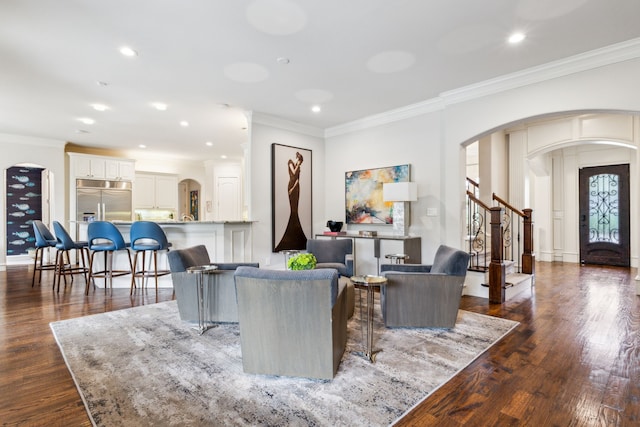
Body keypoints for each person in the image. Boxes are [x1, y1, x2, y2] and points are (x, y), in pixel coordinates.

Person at [275, 152, 307, 251]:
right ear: (297, 158)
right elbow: (293, 174)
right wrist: (297, 165)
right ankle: (290, 232)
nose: (299, 163)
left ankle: (296, 232)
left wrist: (295, 187)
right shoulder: (290, 162)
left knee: (295, 209)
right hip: (291, 186)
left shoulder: (298, 166)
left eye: (301, 162)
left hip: (297, 187)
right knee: (292, 209)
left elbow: (297, 178)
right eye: (299, 161)